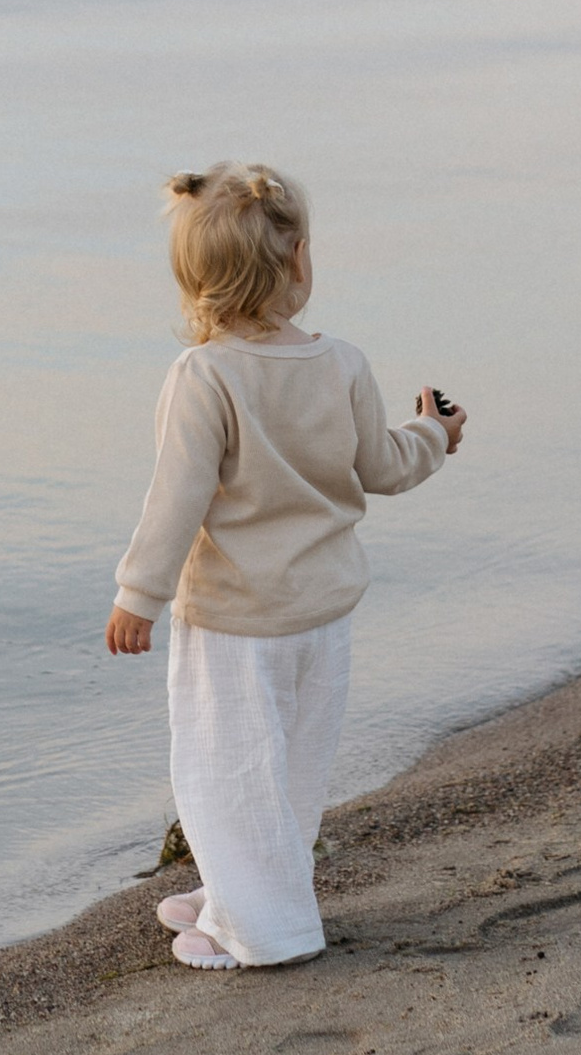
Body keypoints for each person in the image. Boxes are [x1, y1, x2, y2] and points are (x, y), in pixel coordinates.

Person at [105, 160, 466, 969]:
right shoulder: (341, 363)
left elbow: (177, 500)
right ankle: (242, 892)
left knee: (227, 772)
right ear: (299, 260)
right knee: (293, 773)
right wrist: (436, 435)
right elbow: (382, 467)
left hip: (237, 620)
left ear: (193, 281)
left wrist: (139, 595)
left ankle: (263, 932)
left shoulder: (204, 376)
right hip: (323, 617)